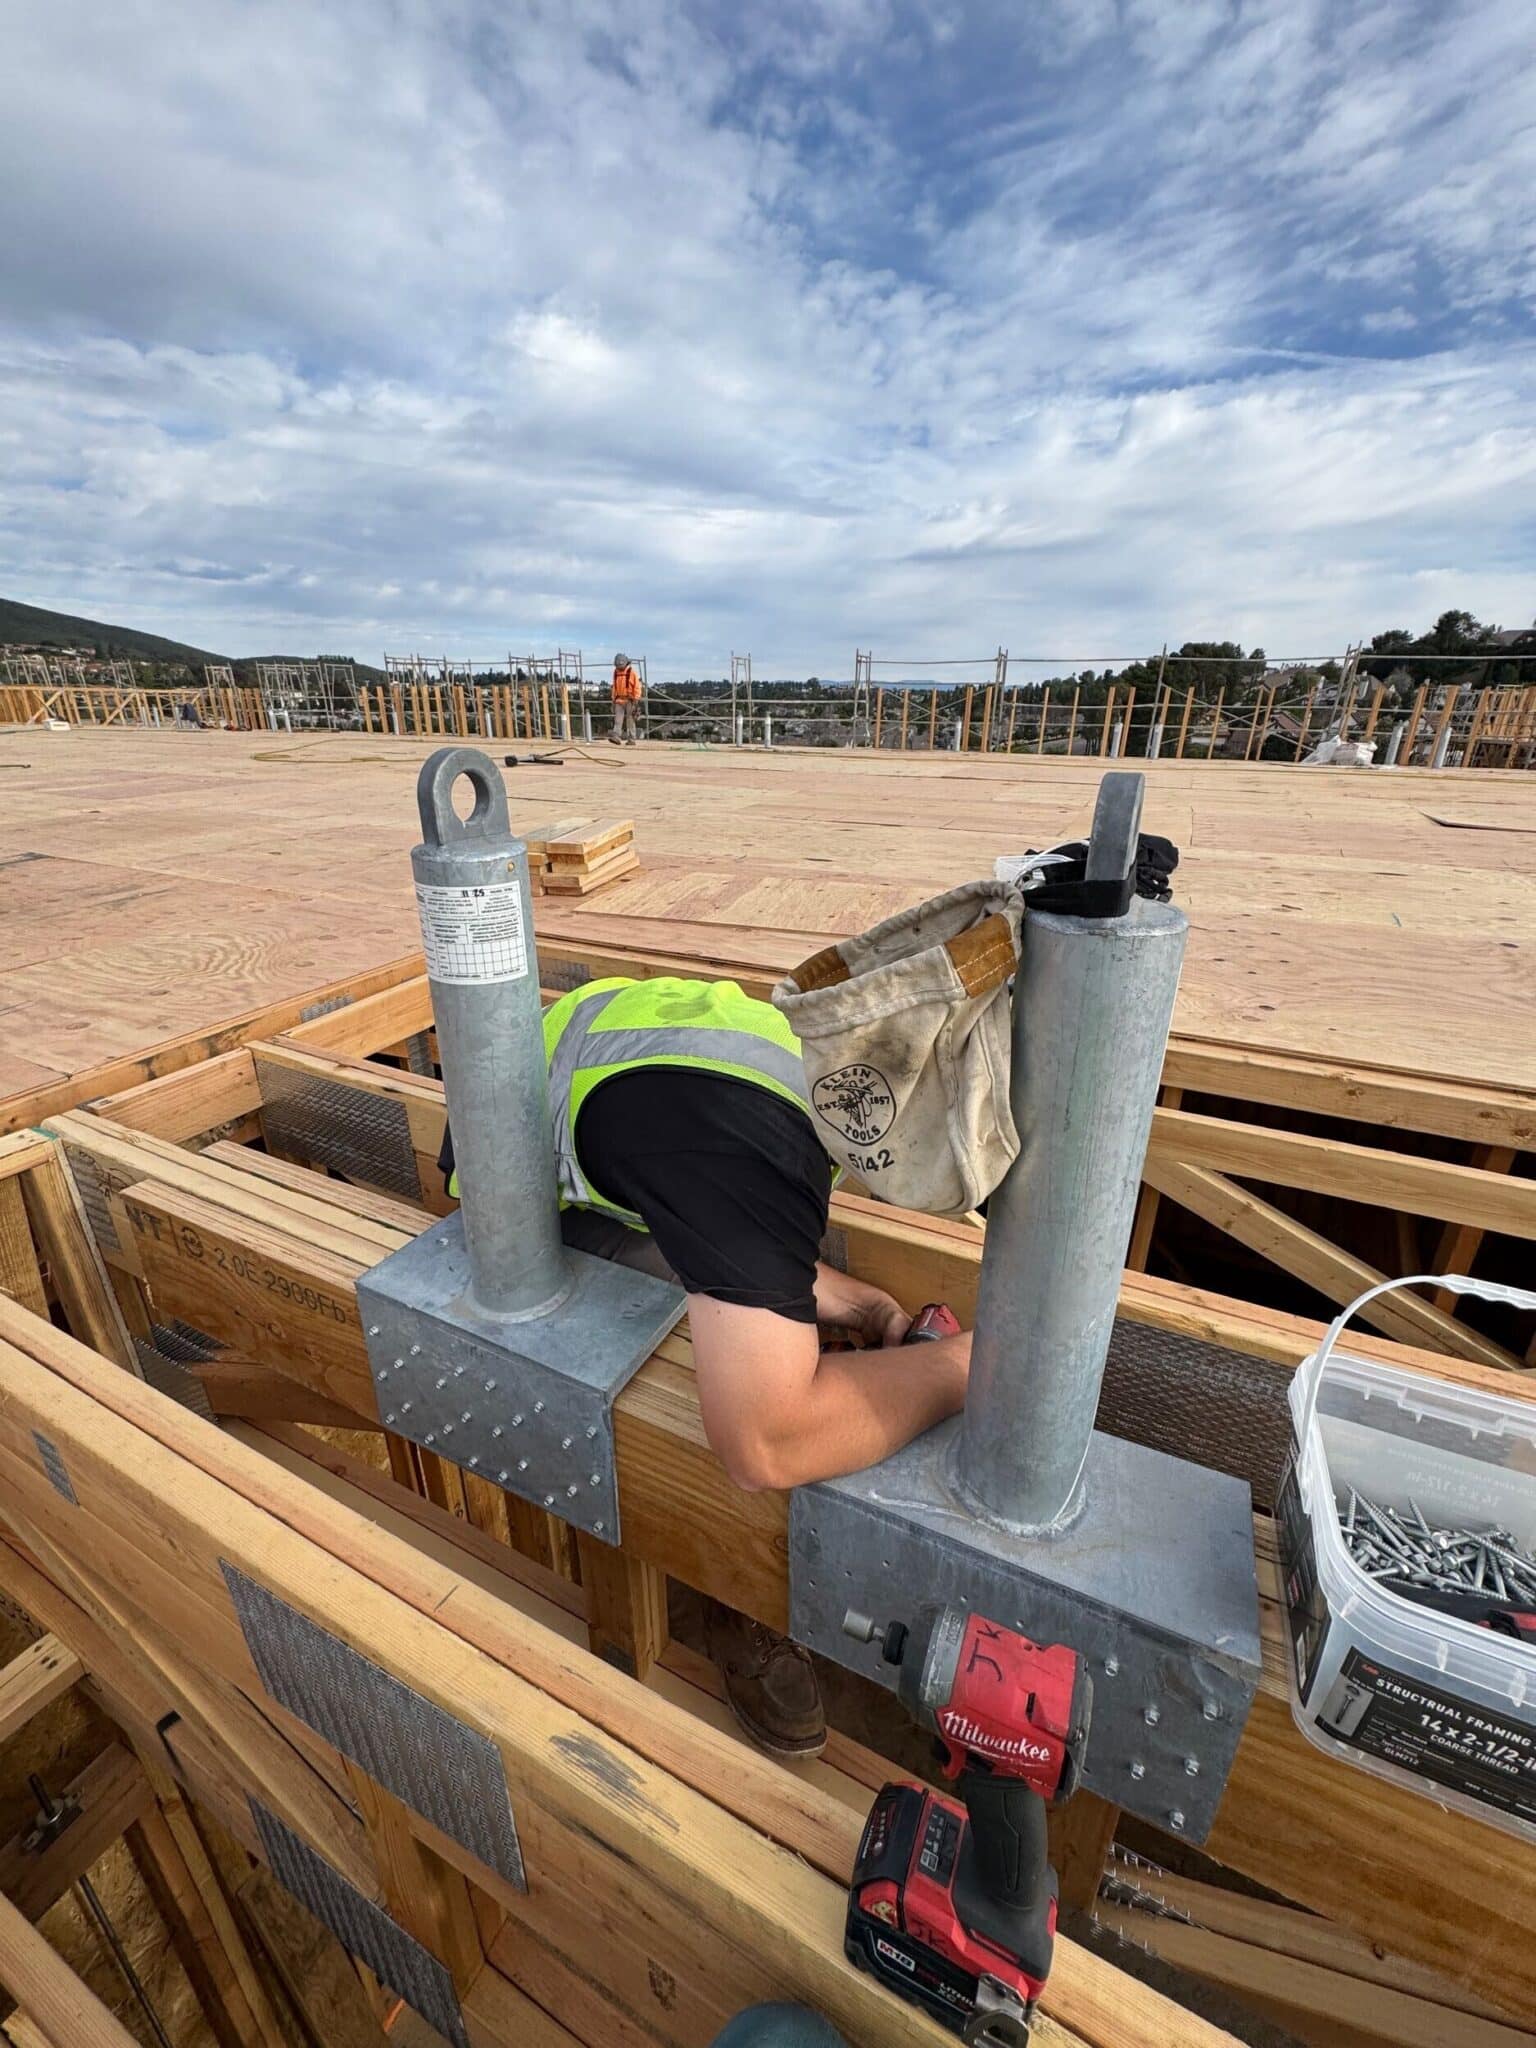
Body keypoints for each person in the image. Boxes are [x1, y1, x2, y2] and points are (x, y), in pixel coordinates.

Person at [440, 973, 972, 1759]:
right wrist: (963, 1371)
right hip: (511, 1208)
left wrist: (848, 1301)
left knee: (769, 1314)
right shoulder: (757, 1149)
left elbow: (722, 1195)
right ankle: (731, 1587)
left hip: (604, 1111)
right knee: (736, 1400)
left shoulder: (799, 1063)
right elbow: (766, 1443)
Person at [610, 652, 643, 745]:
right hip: (619, 699)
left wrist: (636, 699)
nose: (618, 668)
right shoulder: (616, 672)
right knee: (618, 720)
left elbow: (637, 686)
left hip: (630, 700)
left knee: (630, 720)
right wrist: (613, 700)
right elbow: (614, 686)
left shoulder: (631, 672)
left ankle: (631, 739)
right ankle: (616, 736)